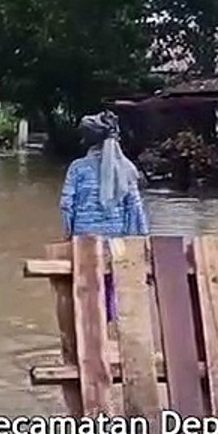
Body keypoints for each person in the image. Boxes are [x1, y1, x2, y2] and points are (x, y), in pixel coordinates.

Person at [58, 111, 149, 319]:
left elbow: (66, 206)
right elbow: (135, 209)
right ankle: (111, 332)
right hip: (117, 245)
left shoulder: (78, 168)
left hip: (84, 242)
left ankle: (89, 337)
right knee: (111, 291)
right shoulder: (126, 169)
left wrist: (68, 235)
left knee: (86, 292)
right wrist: (141, 240)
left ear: (87, 140)